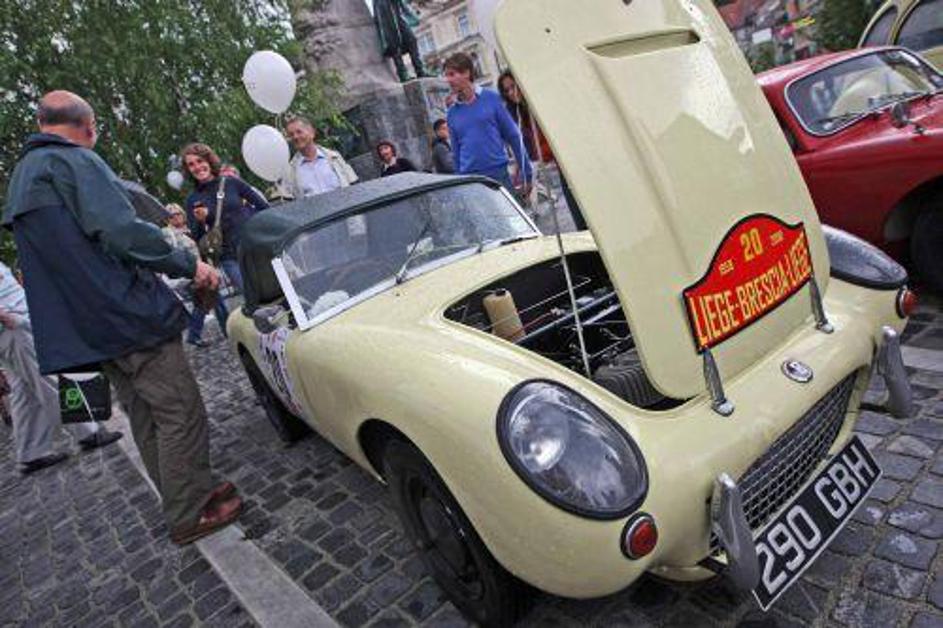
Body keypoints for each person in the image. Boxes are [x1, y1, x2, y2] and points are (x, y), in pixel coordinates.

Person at [4, 90, 241, 544]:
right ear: (88, 127)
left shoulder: (23, 176)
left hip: (89, 325)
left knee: (145, 415)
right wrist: (190, 265)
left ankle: (184, 495)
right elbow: (120, 232)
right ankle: (190, 511)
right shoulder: (74, 161)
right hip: (127, 312)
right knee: (179, 409)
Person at [0, 262, 123, 474]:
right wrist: (6, 317)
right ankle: (88, 432)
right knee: (48, 378)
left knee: (24, 392)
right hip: (12, 326)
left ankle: (32, 452)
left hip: (12, 325)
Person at [497, 70, 587, 231]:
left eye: (513, 87)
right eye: (506, 90)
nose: (511, 93)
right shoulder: (520, 113)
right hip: (557, 163)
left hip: (571, 160)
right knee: (577, 212)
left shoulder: (537, 105)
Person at [181, 143, 269, 293]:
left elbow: (263, 207)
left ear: (209, 161)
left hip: (255, 247)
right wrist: (201, 221)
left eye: (200, 161)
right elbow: (198, 237)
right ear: (188, 170)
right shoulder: (192, 199)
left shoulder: (231, 182)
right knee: (254, 297)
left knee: (277, 290)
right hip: (229, 258)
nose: (197, 167)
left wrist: (252, 224)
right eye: (191, 164)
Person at [444, 53, 533, 196]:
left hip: (498, 176)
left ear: (466, 73)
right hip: (471, 181)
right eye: (446, 75)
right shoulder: (451, 113)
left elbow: (513, 136)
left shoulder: (492, 98)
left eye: (452, 74)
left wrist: (526, 173)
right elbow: (456, 153)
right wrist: (461, 185)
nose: (448, 80)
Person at [162, 203, 229, 348]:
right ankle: (226, 330)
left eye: (178, 213)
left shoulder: (189, 229)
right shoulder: (167, 233)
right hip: (189, 274)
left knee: (204, 304)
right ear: (167, 218)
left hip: (200, 271)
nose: (176, 217)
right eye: (171, 215)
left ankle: (194, 335)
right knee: (214, 300)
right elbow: (170, 254)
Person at [282, 116, 359, 199]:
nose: (295, 137)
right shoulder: (290, 171)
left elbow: (354, 184)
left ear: (312, 132)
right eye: (291, 135)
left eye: (299, 132)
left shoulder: (335, 158)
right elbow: (289, 201)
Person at [372, 0, 427, 82]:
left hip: (397, 10)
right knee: (393, 42)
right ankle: (402, 73)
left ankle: (420, 70)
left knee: (411, 39)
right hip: (384, 8)